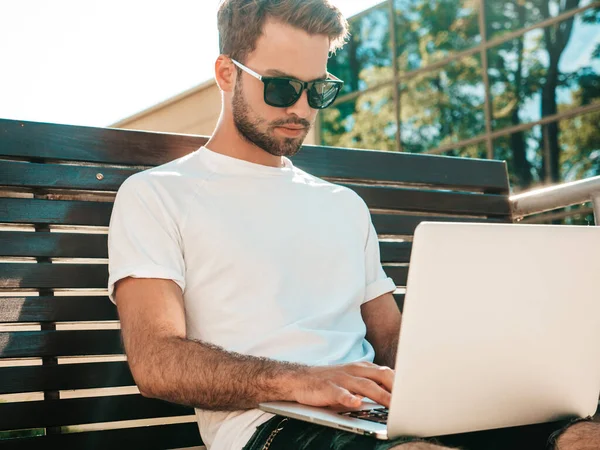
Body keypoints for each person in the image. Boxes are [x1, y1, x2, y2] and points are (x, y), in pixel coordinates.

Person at [107, 1, 599, 449]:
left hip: (375, 412)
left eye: (317, 90)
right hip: (266, 423)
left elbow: (389, 339)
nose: (300, 109)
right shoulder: (158, 195)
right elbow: (157, 361)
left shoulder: (342, 205)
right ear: (225, 74)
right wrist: (300, 380)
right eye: (280, 87)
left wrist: (478, 379)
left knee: (582, 437)